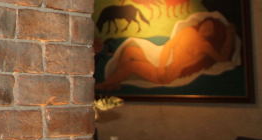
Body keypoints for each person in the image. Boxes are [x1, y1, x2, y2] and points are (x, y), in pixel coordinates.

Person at [96, 15, 236, 90]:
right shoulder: (188, 31)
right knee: (129, 50)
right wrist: (161, 65)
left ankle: (104, 85)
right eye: (206, 24)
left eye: (210, 29)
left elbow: (222, 58)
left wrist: (230, 35)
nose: (206, 28)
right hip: (162, 59)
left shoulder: (205, 46)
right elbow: (168, 46)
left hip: (169, 71)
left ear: (212, 35)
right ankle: (115, 82)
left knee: (132, 66)